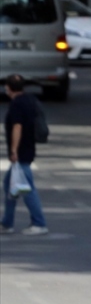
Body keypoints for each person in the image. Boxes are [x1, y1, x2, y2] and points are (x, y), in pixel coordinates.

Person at [3, 75, 48, 235]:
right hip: (29, 147)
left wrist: (14, 150)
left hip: (21, 151)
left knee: (27, 189)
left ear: (8, 87)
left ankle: (39, 223)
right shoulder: (29, 100)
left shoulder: (16, 104)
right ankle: (6, 223)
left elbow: (17, 127)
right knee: (9, 184)